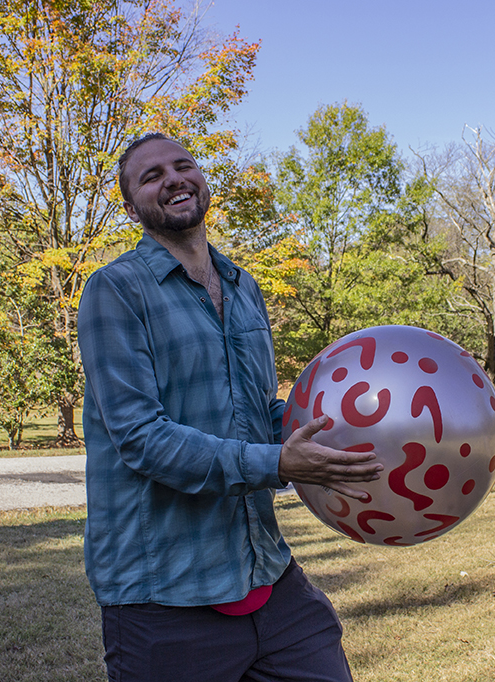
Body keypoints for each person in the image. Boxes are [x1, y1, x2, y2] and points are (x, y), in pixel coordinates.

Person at [77, 133, 383, 682]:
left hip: (265, 572)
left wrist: (335, 430)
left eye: (182, 165)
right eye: (151, 176)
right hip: (162, 592)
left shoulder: (244, 287)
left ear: (201, 180)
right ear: (131, 207)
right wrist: (278, 465)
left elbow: (256, 412)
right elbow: (141, 438)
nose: (172, 178)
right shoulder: (115, 290)